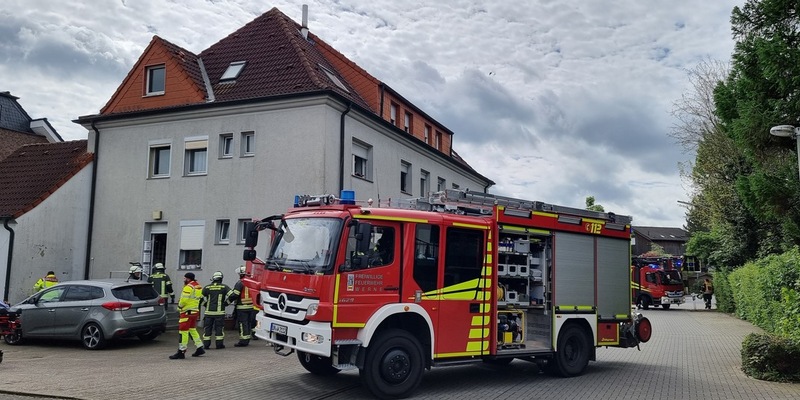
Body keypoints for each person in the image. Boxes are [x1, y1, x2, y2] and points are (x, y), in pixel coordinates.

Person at [169, 272, 205, 359]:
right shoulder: (198, 286)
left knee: (183, 331)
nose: (183, 280)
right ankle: (200, 347)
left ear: (188, 279)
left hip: (186, 312)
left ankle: (181, 351)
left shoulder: (188, 287)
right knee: (192, 330)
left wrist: (179, 306)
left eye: (184, 278)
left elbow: (184, 300)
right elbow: (201, 298)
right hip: (195, 311)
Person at [227, 266, 255, 347]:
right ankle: (247, 339)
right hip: (251, 307)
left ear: (241, 274)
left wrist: (226, 302)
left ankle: (243, 341)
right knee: (248, 323)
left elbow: (234, 295)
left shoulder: (240, 283)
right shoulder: (252, 282)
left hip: (242, 307)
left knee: (242, 324)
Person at [201, 271, 231, 350]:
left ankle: (206, 345)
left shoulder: (207, 287)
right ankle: (219, 345)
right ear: (221, 279)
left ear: (213, 278)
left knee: (207, 329)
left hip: (208, 313)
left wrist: (205, 304)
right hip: (219, 312)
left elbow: (199, 298)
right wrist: (227, 303)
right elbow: (233, 295)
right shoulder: (224, 287)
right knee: (219, 328)